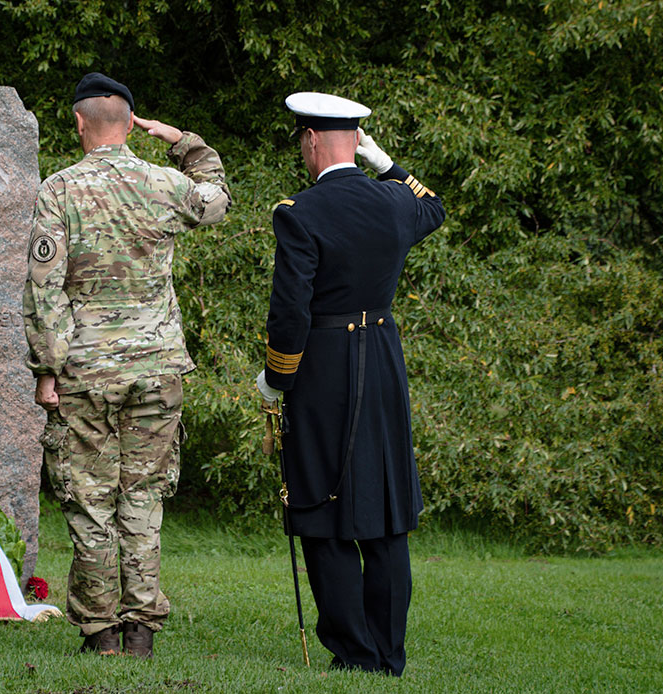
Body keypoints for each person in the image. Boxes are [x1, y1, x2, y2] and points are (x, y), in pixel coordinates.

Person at [22, 72, 231, 658]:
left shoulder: (59, 189)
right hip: (156, 368)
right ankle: (140, 630)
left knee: (89, 499)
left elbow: (44, 290)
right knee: (143, 496)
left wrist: (47, 367)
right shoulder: (163, 182)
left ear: (80, 122)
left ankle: (100, 632)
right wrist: (182, 140)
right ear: (130, 124)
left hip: (84, 370)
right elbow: (216, 200)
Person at [254, 91, 445, 675]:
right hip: (384, 361)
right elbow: (433, 208)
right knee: (384, 507)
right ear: (355, 141)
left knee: (320, 503)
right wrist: (388, 164)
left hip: (323, 366)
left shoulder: (300, 212)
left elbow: (291, 311)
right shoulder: (392, 202)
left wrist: (275, 378)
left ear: (311, 139)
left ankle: (356, 652)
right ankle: (388, 654)